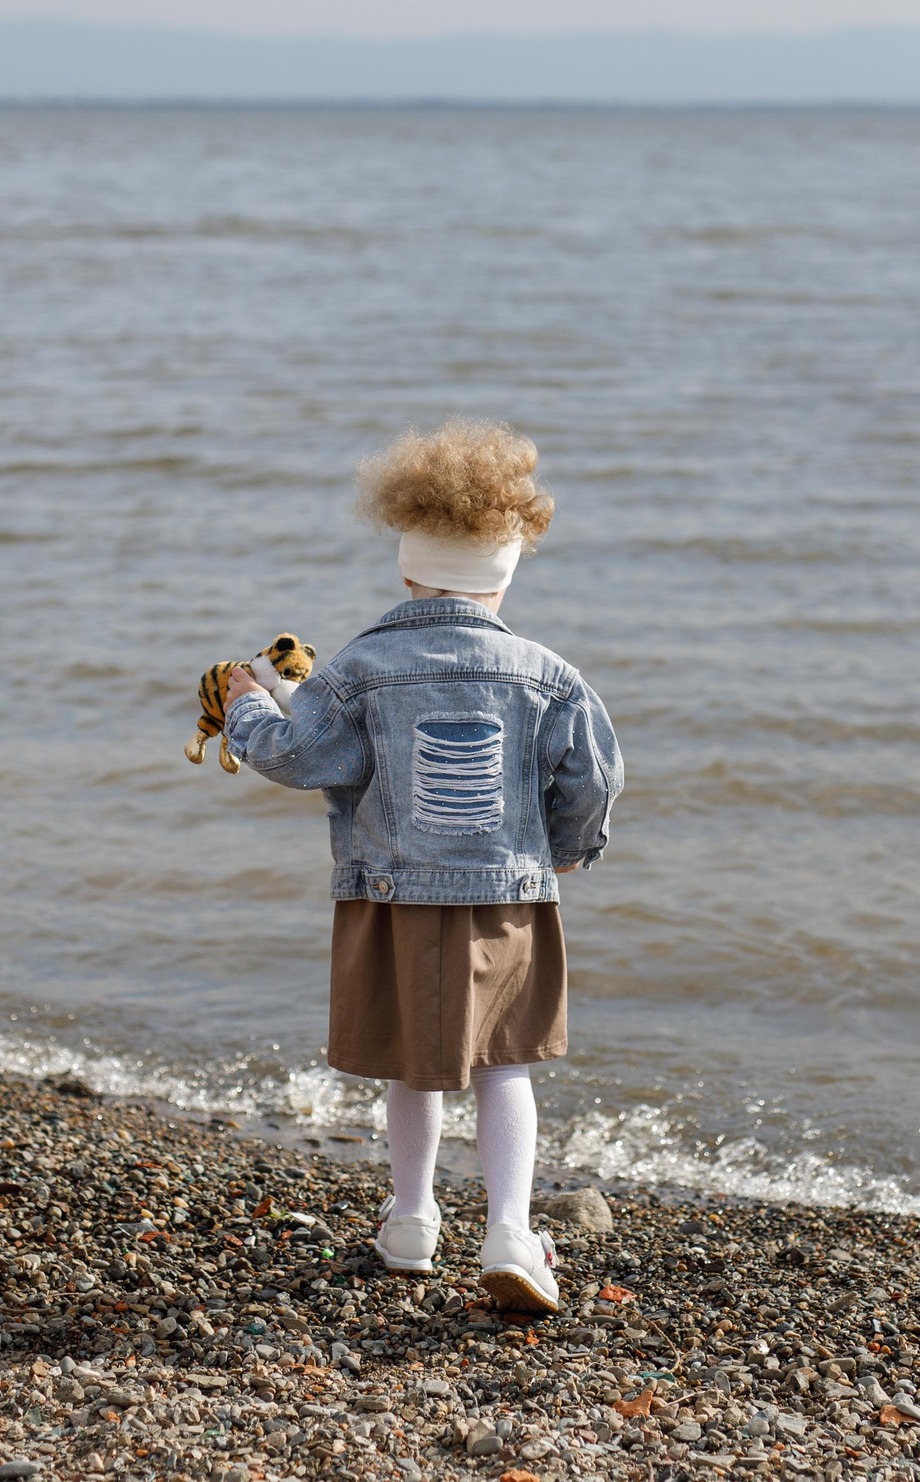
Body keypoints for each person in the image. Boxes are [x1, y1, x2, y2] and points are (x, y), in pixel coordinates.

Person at [221, 420, 623, 1312]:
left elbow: (303, 754)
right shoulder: (548, 673)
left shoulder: (363, 664)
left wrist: (249, 707)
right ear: (507, 571)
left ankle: (411, 1220)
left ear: (407, 565)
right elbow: (594, 780)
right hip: (508, 894)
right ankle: (512, 1229)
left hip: (392, 896)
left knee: (414, 1063)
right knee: (503, 1062)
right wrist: (556, 855)